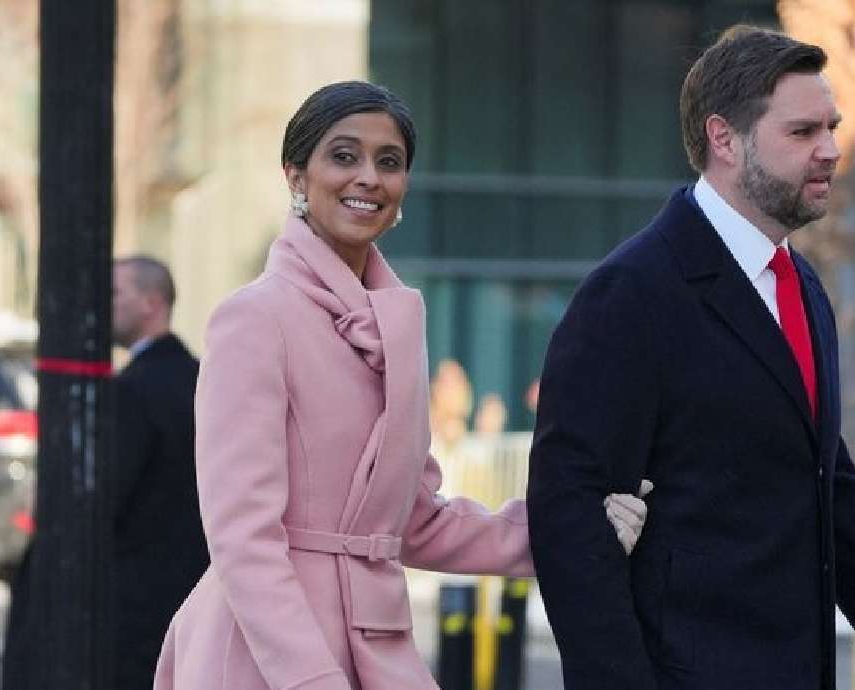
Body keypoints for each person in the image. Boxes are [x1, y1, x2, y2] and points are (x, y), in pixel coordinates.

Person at [153, 81, 648, 690]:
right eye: (343, 155)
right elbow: (243, 539)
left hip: (379, 651)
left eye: (389, 162)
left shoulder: (399, 328)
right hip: (265, 658)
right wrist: (311, 679)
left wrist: (573, 529)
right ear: (296, 176)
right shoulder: (254, 318)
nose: (368, 177)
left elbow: (416, 524)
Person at [527, 26, 855, 690]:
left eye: (832, 127)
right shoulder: (632, 293)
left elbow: (832, 496)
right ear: (723, 139)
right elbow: (570, 525)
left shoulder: (804, 289)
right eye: (802, 132)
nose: (831, 150)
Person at [111, 255, 209, 689]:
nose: (104, 304)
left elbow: (110, 496)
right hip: (200, 588)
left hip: (135, 603)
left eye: (115, 293)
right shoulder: (203, 378)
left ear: (152, 302)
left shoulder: (132, 390)